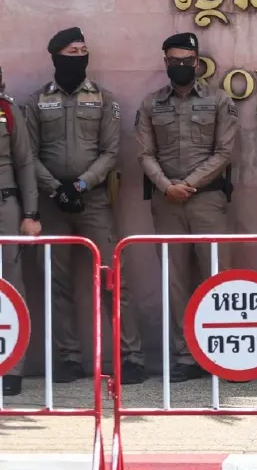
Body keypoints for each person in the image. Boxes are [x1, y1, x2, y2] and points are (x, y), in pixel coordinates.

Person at [24, 27, 145, 385]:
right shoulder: (35, 101)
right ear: (56, 56)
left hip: (92, 200)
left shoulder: (104, 99)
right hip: (52, 202)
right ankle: (68, 358)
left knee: (112, 279)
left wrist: (79, 185)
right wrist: (55, 188)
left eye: (83, 50)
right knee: (56, 282)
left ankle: (131, 357)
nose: (79, 56)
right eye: (72, 51)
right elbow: (27, 153)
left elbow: (110, 152)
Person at [135, 32, 238, 383]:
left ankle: (220, 353)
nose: (180, 66)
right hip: (167, 203)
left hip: (207, 200)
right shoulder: (151, 104)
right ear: (165, 63)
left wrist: (189, 184)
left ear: (197, 62)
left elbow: (224, 153)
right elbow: (145, 153)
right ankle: (184, 356)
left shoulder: (220, 100)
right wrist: (167, 186)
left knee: (216, 277)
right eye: (173, 60)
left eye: (186, 60)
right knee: (175, 281)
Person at [0, 69, 41, 397]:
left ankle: (12, 367)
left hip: (5, 205)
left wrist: (29, 214)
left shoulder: (8, 111)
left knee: (11, 285)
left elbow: (25, 163)